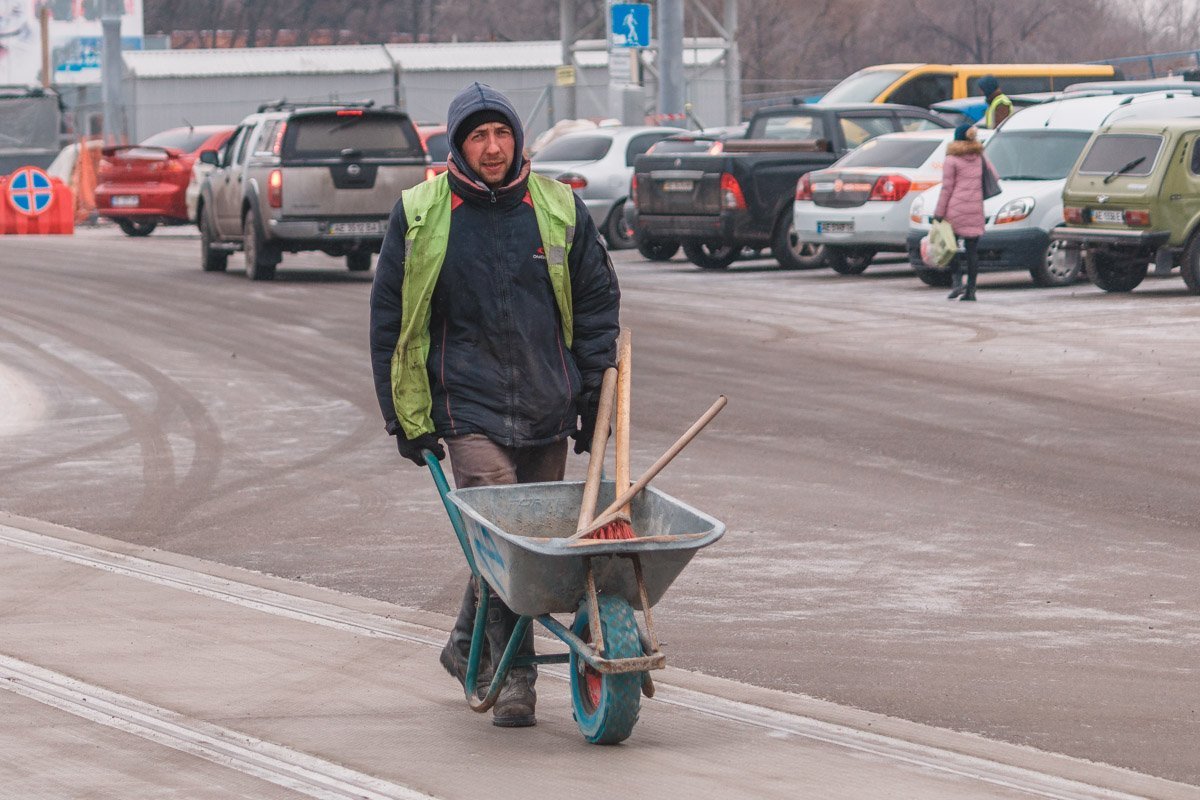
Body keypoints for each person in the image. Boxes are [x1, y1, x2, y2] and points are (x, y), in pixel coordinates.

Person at [369, 82, 621, 728]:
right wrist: (405, 416)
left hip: (546, 402)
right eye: (478, 136)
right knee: (509, 542)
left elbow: (595, 307)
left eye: (501, 134)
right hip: (467, 405)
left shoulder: (558, 208)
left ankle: (464, 644)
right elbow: (392, 320)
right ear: (458, 144)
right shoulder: (423, 212)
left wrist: (594, 395)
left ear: (518, 139)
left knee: (529, 549)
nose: (492, 147)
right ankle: (515, 679)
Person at [935, 124, 996, 302]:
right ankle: (971, 290)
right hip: (975, 208)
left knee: (950, 247)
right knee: (972, 251)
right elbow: (995, 176)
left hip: (955, 209)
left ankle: (956, 282)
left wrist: (939, 213)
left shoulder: (952, 159)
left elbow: (947, 188)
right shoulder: (979, 156)